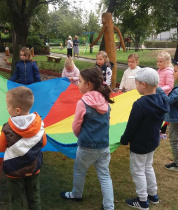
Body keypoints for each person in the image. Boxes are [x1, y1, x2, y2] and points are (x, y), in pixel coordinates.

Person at [60, 67, 115, 210]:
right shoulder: (105, 100)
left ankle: (76, 194)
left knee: (79, 170)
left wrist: (80, 136)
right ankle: (109, 206)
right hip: (104, 145)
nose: (78, 84)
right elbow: (107, 121)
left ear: (88, 84)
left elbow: (76, 125)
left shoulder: (83, 102)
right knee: (104, 175)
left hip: (86, 147)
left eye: (80, 81)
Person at [120, 68, 169, 210]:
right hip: (152, 141)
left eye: (136, 83)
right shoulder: (161, 101)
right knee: (148, 167)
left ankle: (142, 200)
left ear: (143, 84)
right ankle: (153, 195)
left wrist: (124, 139)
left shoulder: (139, 105)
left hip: (140, 144)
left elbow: (131, 126)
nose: (136, 86)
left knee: (138, 171)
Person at [0, 86, 47, 209]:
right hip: (33, 168)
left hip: (14, 171)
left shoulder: (7, 128)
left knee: (16, 201)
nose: (6, 108)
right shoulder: (39, 123)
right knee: (34, 198)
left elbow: (0, 148)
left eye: (8, 106)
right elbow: (44, 143)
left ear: (17, 110)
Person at [157, 52, 174, 140]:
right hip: (158, 95)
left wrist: (159, 89)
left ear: (167, 62)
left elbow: (169, 86)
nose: (158, 63)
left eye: (161, 61)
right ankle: (157, 129)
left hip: (164, 96)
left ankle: (163, 132)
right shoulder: (159, 70)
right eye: (158, 61)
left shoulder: (169, 72)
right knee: (158, 112)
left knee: (164, 114)